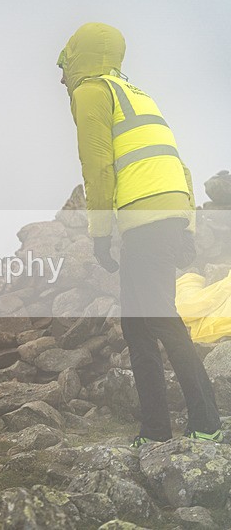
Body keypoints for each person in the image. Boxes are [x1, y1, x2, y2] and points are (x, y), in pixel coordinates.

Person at [57, 23, 222, 447]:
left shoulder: (92, 92)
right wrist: (186, 226)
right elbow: (177, 164)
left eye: (64, 64)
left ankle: (206, 421)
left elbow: (97, 167)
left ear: (78, 57)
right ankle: (154, 430)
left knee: (159, 319)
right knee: (137, 326)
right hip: (165, 216)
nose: (61, 77)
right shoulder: (137, 94)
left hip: (144, 220)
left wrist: (99, 233)